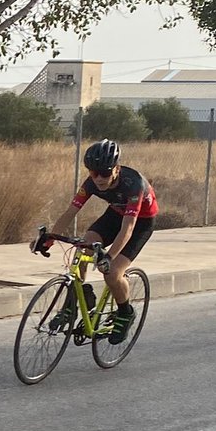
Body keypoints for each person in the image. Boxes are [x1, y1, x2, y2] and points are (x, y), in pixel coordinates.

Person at [44, 138, 158, 344]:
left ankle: (125, 312)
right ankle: (76, 301)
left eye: (104, 173)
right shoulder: (91, 183)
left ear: (116, 169)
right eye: (93, 172)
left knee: (113, 272)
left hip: (140, 222)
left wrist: (109, 256)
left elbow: (128, 227)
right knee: (83, 249)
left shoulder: (134, 185)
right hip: (114, 214)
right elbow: (71, 211)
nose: (98, 178)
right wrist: (50, 238)